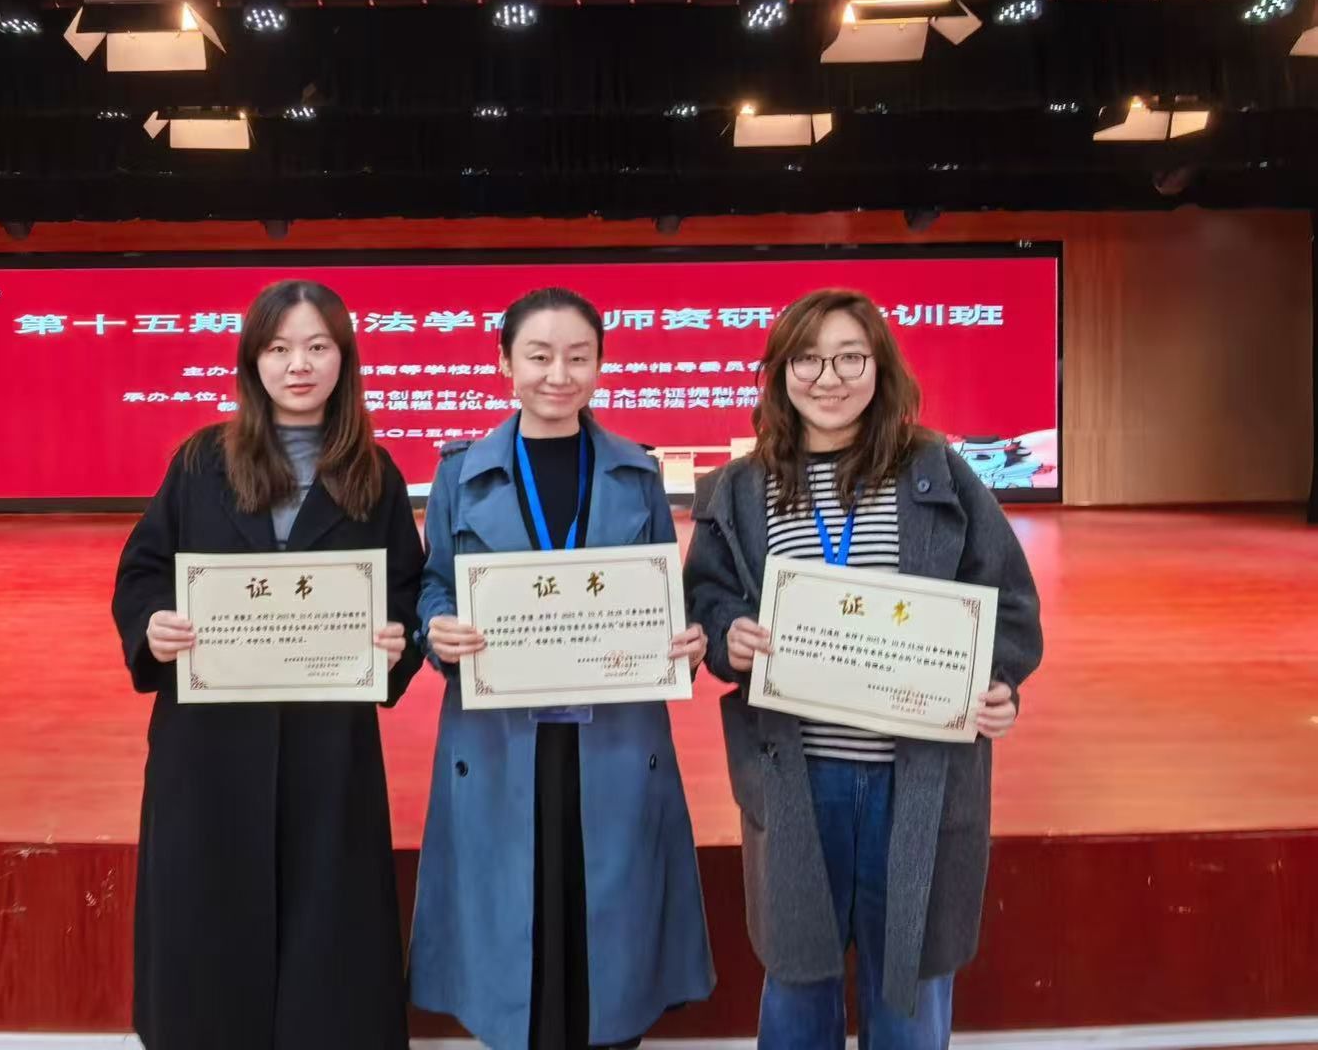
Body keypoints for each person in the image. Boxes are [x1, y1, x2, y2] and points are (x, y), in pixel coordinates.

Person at [683, 287, 1044, 1050]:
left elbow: (1009, 603)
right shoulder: (743, 488)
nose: (829, 378)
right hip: (796, 774)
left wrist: (997, 682)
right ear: (780, 372)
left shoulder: (935, 471)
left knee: (909, 985)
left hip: (915, 777)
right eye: (808, 359)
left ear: (880, 368)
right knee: (796, 984)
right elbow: (708, 597)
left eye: (851, 357)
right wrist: (726, 636)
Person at [110, 279, 425, 1050]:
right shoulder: (200, 463)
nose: (298, 365)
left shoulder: (375, 473)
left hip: (329, 740)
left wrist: (398, 640)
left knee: (330, 923)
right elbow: (143, 572)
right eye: (279, 348)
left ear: (344, 359)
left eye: (317, 346)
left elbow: (406, 590)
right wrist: (153, 626)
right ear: (253, 360)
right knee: (206, 921)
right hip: (208, 741)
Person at [409, 286, 716, 1050]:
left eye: (578, 357)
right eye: (539, 356)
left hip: (612, 731)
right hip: (500, 732)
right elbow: (435, 581)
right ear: (504, 362)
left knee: (608, 908)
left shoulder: (636, 474)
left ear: (600, 365)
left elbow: (665, 594)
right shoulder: (461, 473)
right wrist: (435, 627)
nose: (559, 374)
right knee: (516, 909)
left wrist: (686, 635)